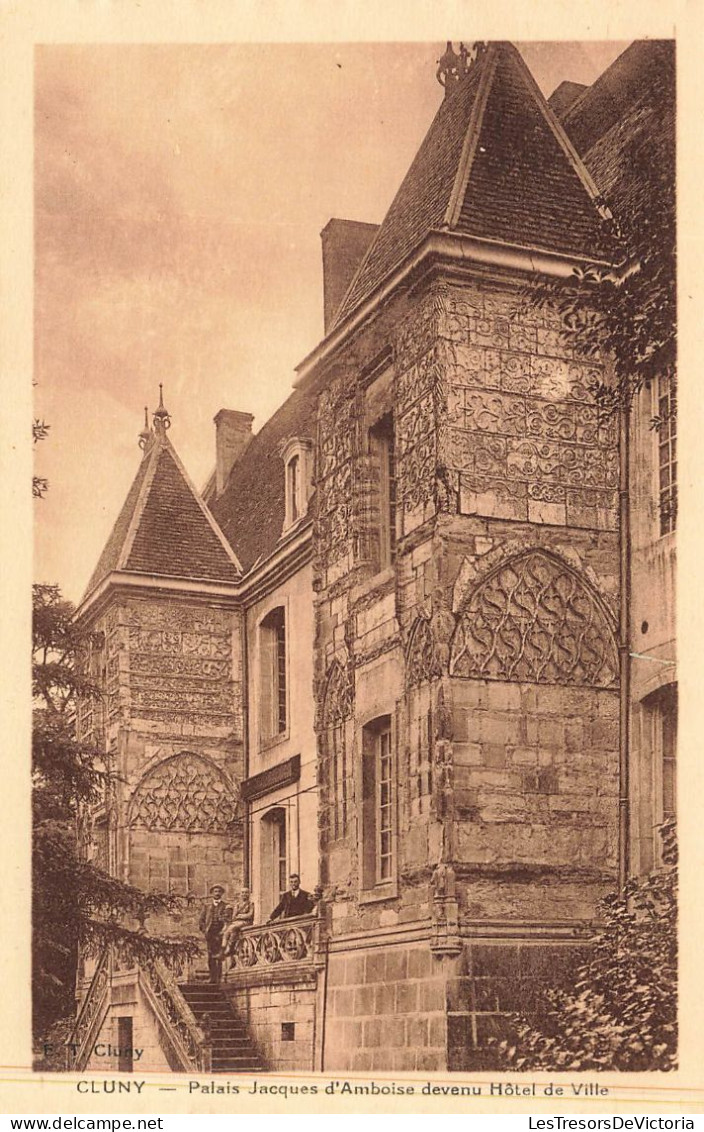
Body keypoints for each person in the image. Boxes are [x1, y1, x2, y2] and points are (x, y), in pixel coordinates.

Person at [198, 884, 232, 983]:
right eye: (215, 891)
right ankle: (212, 977)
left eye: (219, 891)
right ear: (212, 893)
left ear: (222, 893)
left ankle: (219, 977)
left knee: (220, 955)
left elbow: (228, 919)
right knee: (211, 955)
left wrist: (224, 930)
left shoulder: (225, 906)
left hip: (221, 933)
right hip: (210, 934)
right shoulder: (207, 906)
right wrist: (205, 931)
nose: (217, 893)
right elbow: (201, 920)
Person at [221, 888, 255, 966]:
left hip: (246, 922)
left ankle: (230, 947)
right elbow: (234, 916)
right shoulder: (237, 905)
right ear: (240, 894)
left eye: (246, 893)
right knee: (226, 932)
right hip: (237, 922)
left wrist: (240, 916)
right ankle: (224, 949)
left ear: (249, 894)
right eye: (242, 893)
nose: (244, 894)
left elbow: (250, 915)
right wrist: (239, 916)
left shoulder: (250, 904)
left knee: (233, 928)